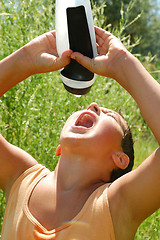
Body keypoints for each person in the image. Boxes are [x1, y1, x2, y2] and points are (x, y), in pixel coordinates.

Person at [0, 26, 160, 240]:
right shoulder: (21, 178)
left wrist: (122, 62)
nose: (93, 105)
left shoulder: (118, 205)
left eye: (110, 115)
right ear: (59, 149)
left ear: (120, 159)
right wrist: (26, 58)